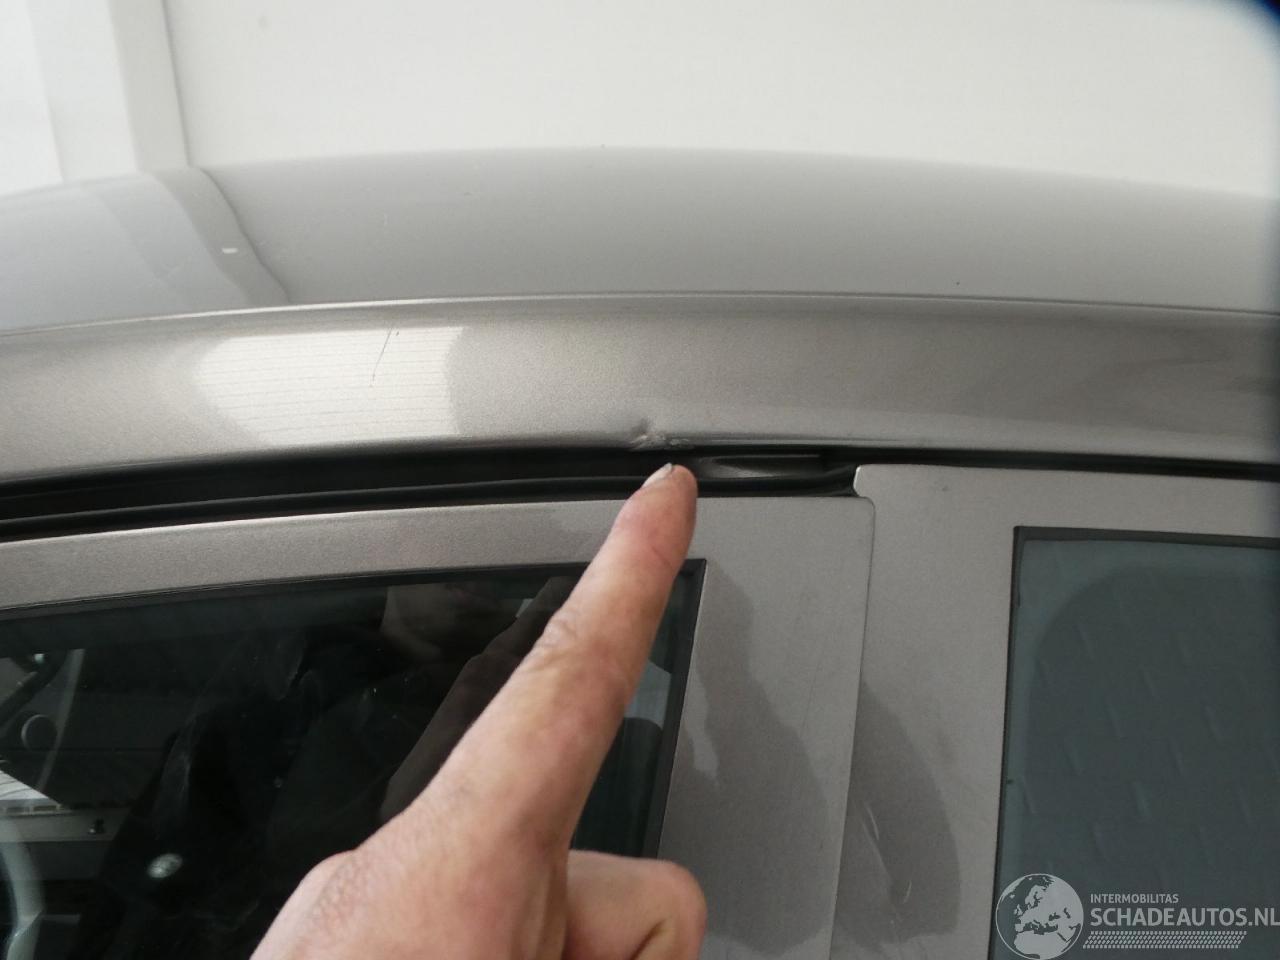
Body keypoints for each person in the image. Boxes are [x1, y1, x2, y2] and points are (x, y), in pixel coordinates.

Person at [253, 462, 706, 960]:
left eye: (519, 541)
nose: (483, 568)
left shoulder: (579, 719)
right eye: (443, 528)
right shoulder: (306, 704)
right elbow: (298, 891)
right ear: (394, 539)